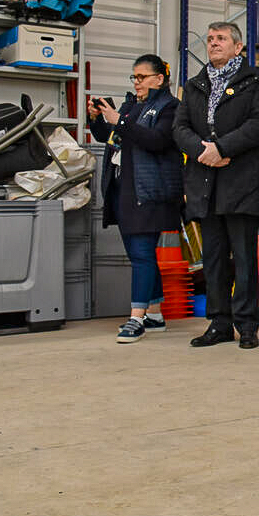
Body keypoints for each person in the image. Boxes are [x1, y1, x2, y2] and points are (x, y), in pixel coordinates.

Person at [173, 22, 259, 350]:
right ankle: (219, 323)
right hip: (206, 181)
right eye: (211, 39)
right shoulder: (194, 85)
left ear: (238, 47)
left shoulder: (256, 81)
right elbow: (180, 127)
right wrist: (203, 151)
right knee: (213, 256)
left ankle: (247, 325)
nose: (214, 44)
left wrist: (222, 148)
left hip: (241, 181)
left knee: (243, 256)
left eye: (221, 39)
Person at [87, 55, 183, 343]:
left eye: (142, 77)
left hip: (149, 192)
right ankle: (154, 314)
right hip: (124, 189)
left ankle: (136, 318)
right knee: (139, 254)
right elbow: (111, 135)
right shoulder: (132, 105)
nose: (137, 82)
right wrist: (97, 119)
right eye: (134, 77)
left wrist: (121, 122)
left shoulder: (169, 107)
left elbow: (157, 141)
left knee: (141, 254)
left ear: (159, 79)